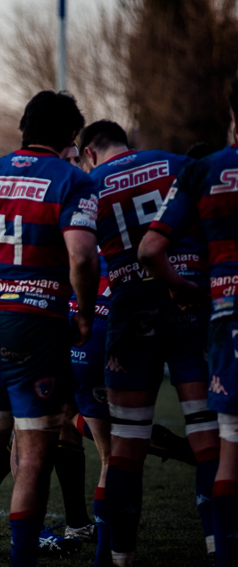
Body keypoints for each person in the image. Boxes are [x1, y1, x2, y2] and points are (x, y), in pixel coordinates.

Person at [0, 90, 99, 567]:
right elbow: (83, 256)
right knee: (33, 455)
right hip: (39, 325)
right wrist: (85, 313)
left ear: (24, 127)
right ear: (71, 135)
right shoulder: (73, 179)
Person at [79, 119, 218, 567]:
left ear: (89, 153)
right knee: (206, 434)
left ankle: (122, 558)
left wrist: (83, 312)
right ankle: (219, 546)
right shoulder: (177, 164)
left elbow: (80, 256)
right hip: (186, 298)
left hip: (129, 307)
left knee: (127, 443)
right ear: (125, 141)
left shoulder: (88, 184)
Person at [138, 79, 238, 567]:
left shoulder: (204, 171)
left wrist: (180, 287)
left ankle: (222, 555)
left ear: (233, 118)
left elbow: (149, 249)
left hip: (226, 314)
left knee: (229, 448)